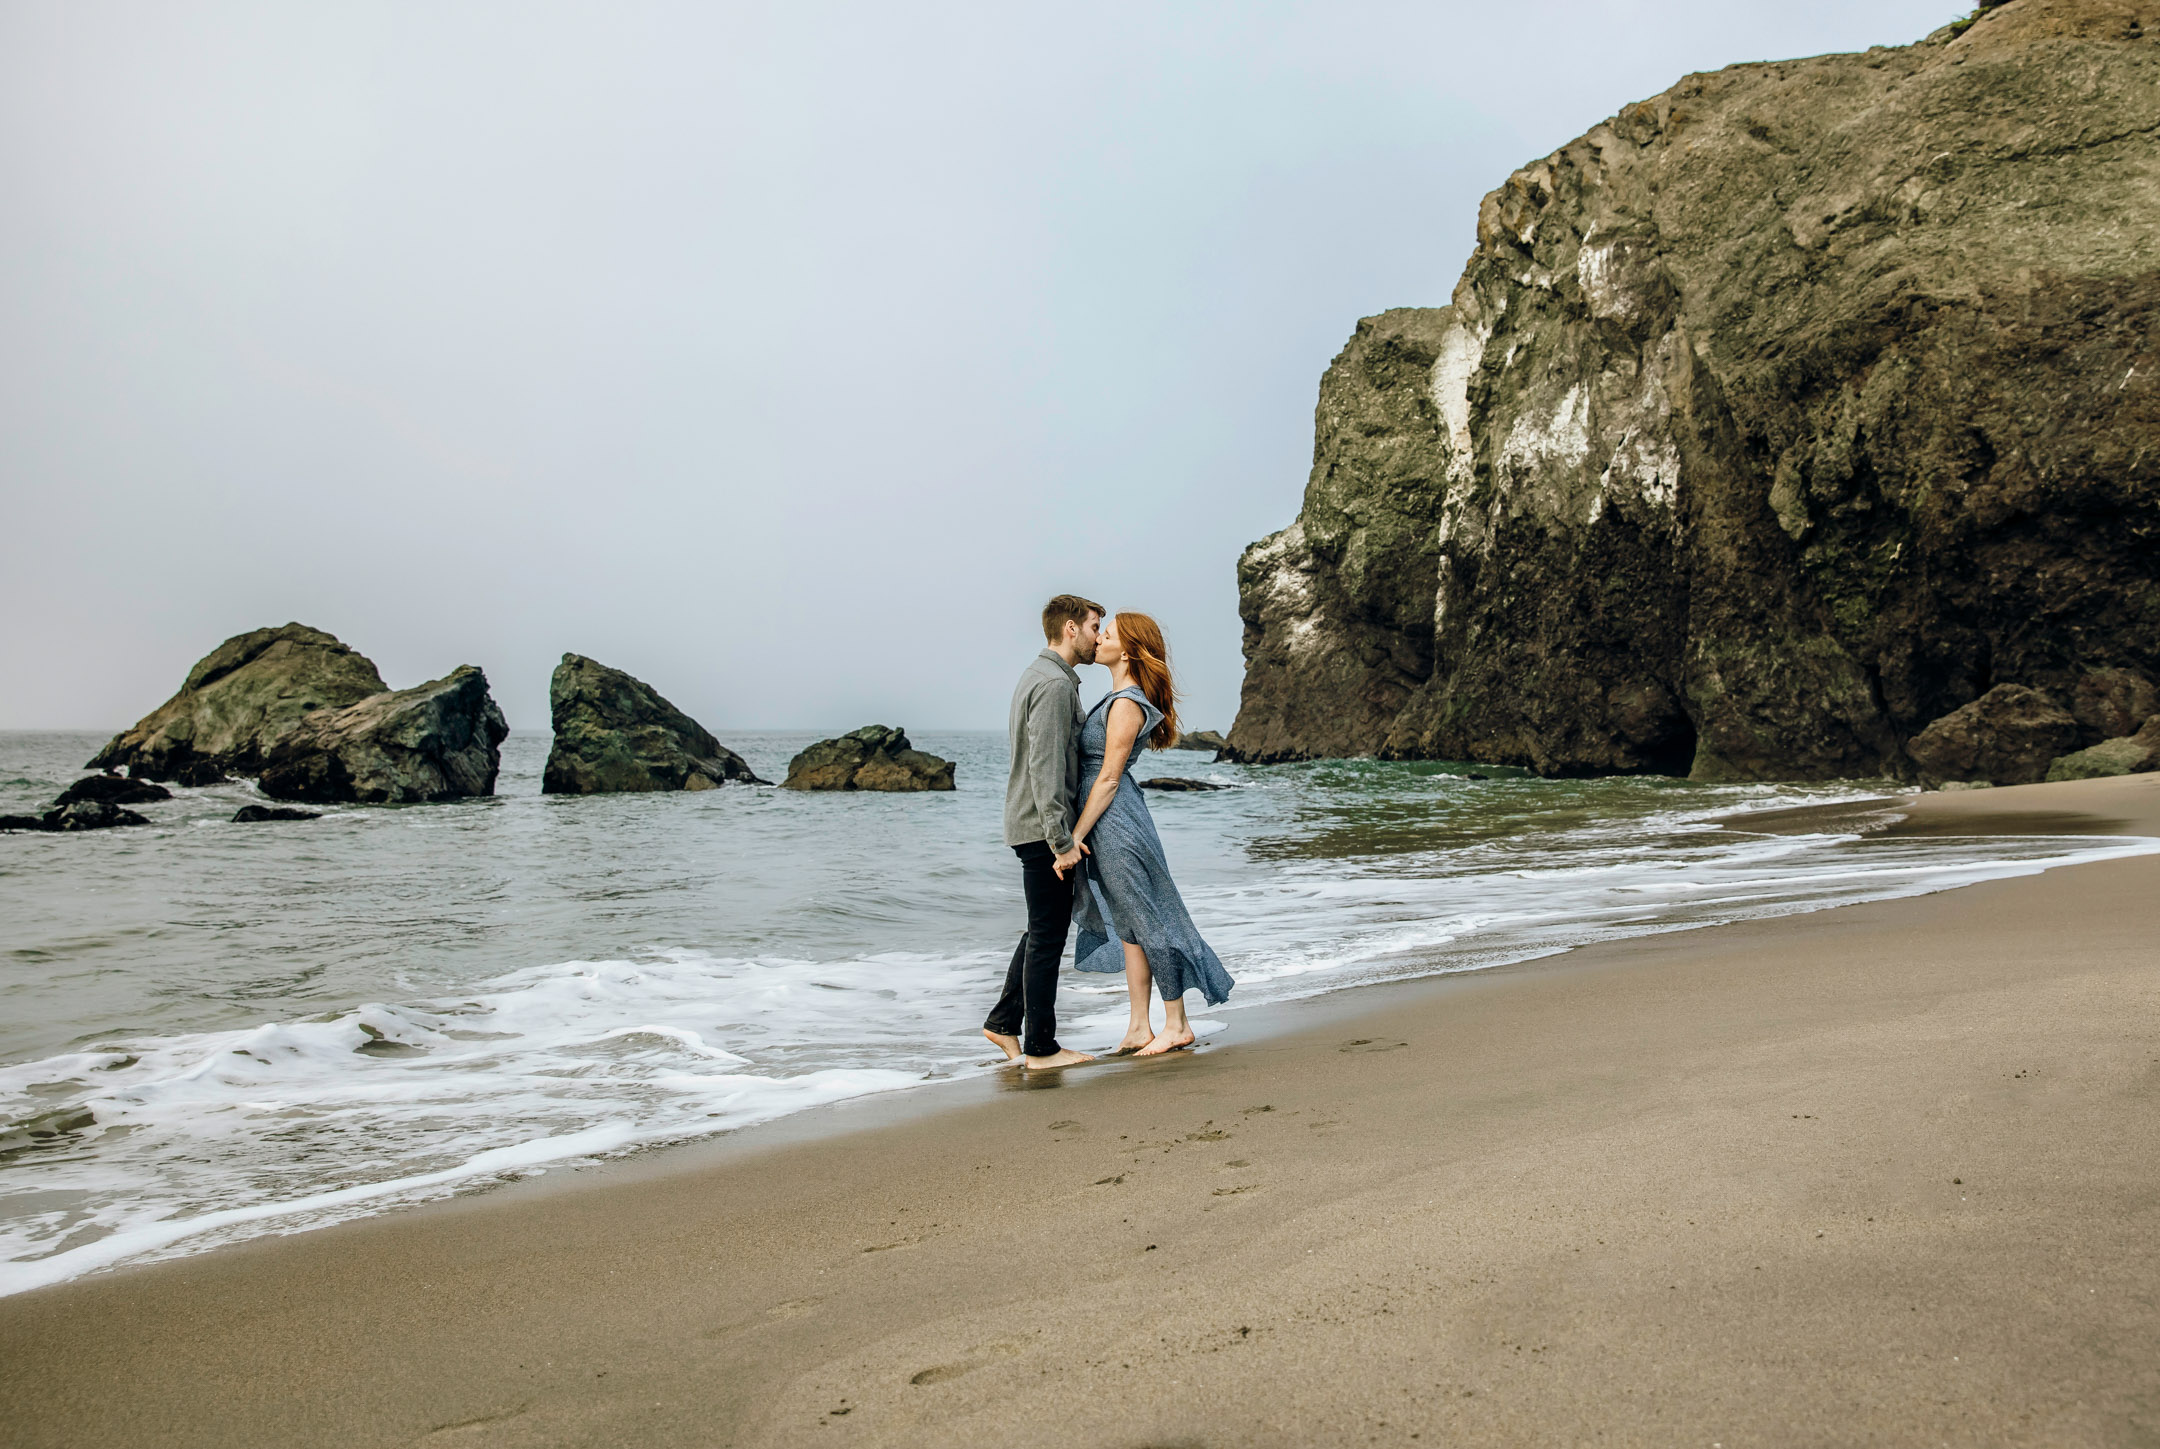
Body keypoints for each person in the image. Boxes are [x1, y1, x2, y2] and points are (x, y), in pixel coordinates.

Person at [1070, 612, 1234, 1055]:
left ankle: (1177, 1022)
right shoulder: (1115, 697)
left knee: (1146, 917)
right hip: (1107, 820)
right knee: (1127, 926)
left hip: (1117, 820)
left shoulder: (1127, 703)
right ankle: (1139, 1026)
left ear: (1126, 651)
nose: (1098, 638)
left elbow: (1107, 778)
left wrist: (1074, 837)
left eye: (1107, 633)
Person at [982, 594, 1102, 1071]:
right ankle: (1041, 1048)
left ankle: (1004, 1022)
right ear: (1070, 629)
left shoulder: (1040, 676)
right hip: (1042, 829)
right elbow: (1046, 768)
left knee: (1041, 929)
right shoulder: (1054, 685)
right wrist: (1062, 841)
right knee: (1049, 937)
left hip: (1030, 824)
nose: (1099, 636)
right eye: (1095, 626)